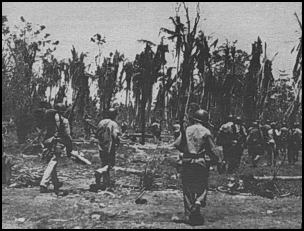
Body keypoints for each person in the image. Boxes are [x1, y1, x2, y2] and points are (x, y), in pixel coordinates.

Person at [169, 109, 223, 226]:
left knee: (187, 188)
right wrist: (218, 161)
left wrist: (187, 149)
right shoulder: (206, 131)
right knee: (202, 185)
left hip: (187, 161)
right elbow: (213, 149)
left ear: (194, 119)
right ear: (205, 120)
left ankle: (189, 215)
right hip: (201, 161)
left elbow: (177, 144)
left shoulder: (188, 129)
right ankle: (198, 201)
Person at [39, 103, 73, 194]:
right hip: (58, 143)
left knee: (52, 163)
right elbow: (67, 135)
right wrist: (70, 146)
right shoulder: (64, 120)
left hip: (48, 142)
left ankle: (56, 183)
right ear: (63, 111)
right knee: (53, 162)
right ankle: (44, 183)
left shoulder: (49, 119)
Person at [94, 108, 121, 189]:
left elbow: (97, 134)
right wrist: (118, 143)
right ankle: (100, 171)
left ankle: (106, 183)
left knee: (104, 163)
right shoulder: (113, 123)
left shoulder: (101, 122)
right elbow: (115, 136)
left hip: (101, 145)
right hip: (110, 146)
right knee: (110, 164)